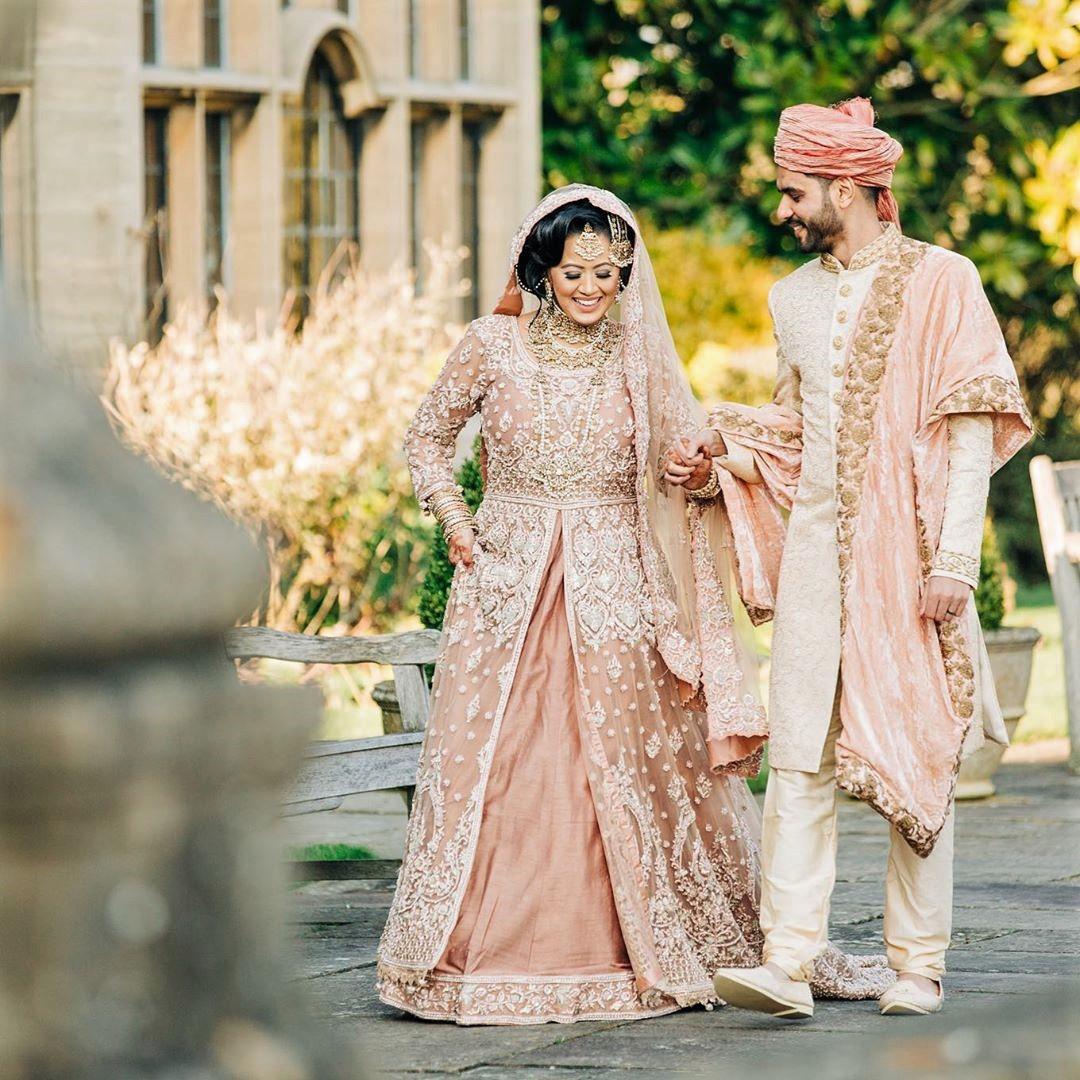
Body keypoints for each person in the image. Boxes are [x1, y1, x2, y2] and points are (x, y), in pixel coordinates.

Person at [377, 185, 891, 1025]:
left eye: (607, 273)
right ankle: (476, 958)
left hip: (614, 585)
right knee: (501, 767)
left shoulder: (638, 355)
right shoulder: (489, 344)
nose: (589, 289)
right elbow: (427, 437)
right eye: (574, 271)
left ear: (625, 274)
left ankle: (624, 952)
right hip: (504, 586)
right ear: (541, 268)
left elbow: (673, 467)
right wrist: (457, 523)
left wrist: (698, 473)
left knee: (606, 762)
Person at [668, 100, 1032, 1019]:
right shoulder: (791, 298)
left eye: (794, 192)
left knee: (917, 750)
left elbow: (968, 430)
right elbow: (793, 437)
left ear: (847, 185)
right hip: (814, 564)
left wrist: (954, 558)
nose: (784, 209)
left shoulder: (946, 280)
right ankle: (788, 961)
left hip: (907, 562)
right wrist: (722, 465)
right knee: (796, 755)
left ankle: (918, 964)